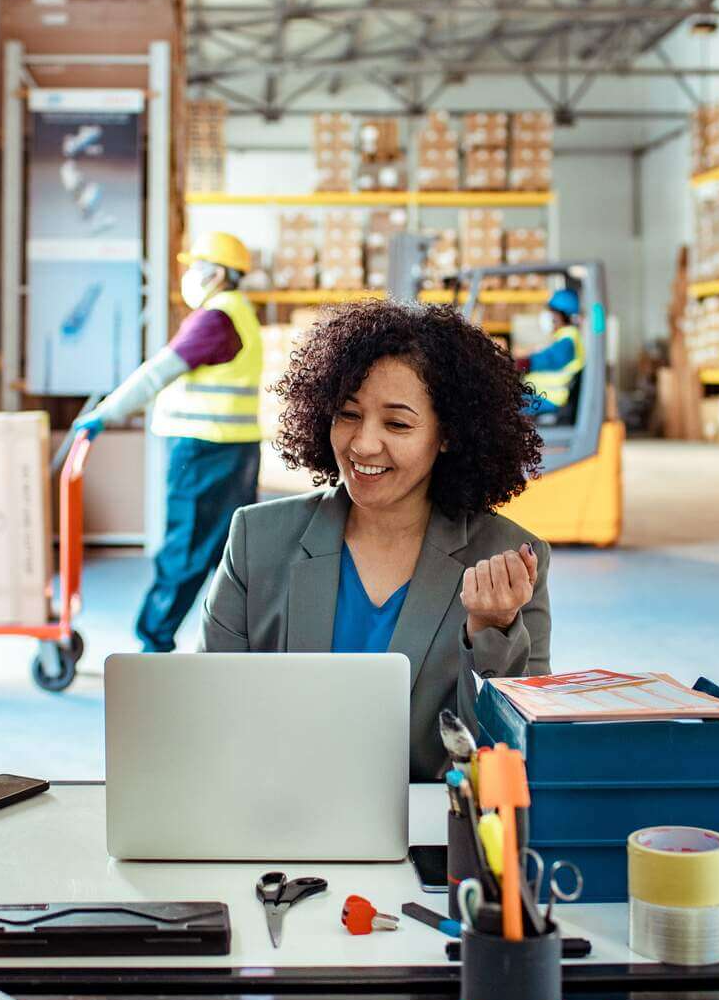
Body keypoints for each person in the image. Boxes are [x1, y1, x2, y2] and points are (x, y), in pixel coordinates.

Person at [197, 300, 552, 779]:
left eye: (398, 423)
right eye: (347, 414)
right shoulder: (257, 539)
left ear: (447, 434)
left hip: (427, 836)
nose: (363, 444)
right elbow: (207, 710)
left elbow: (514, 751)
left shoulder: (507, 561)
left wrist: (491, 631)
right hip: (276, 818)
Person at [76, 230, 264, 653]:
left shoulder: (215, 319)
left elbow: (157, 373)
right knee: (228, 554)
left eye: (195, 267)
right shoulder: (240, 313)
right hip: (234, 447)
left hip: (204, 451)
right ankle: (245, 643)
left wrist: (104, 414)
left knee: (186, 550)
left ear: (217, 274)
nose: (190, 275)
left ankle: (154, 641)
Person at [516, 287, 586, 419]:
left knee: (501, 408)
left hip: (548, 399)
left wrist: (523, 363)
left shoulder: (568, 341)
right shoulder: (564, 337)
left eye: (553, 312)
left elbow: (550, 358)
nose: (549, 316)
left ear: (563, 316)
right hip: (539, 396)